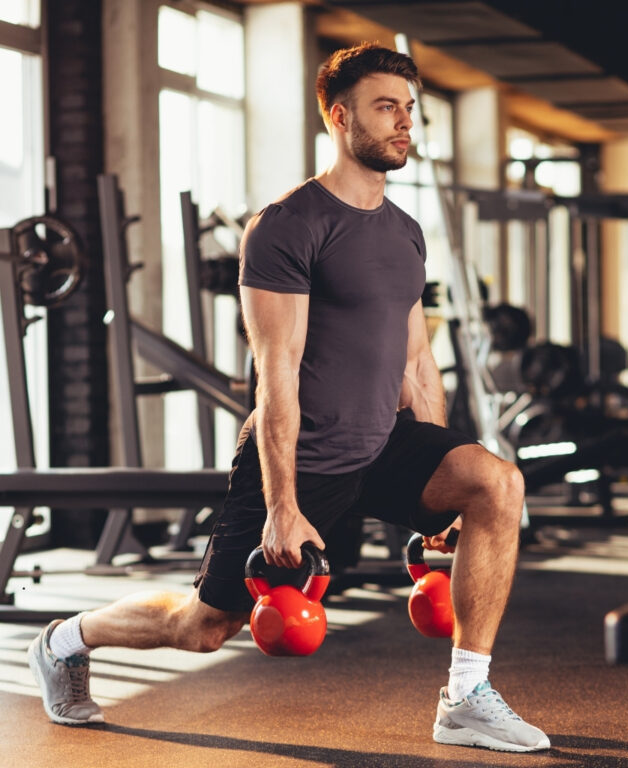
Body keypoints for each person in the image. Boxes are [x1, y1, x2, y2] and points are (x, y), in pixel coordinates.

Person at [28, 43, 549, 754]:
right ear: (340, 117)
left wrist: (436, 483)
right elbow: (275, 373)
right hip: (305, 457)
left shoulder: (405, 233)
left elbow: (418, 360)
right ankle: (64, 640)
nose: (404, 124)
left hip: (385, 443)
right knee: (203, 627)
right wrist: (283, 503)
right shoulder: (288, 225)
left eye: (409, 109)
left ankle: (466, 696)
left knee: (497, 483)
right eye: (386, 108)